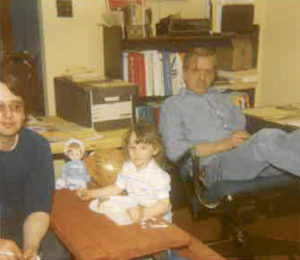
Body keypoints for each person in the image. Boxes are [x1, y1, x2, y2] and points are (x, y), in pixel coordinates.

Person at [160, 47, 300, 204]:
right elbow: (174, 151)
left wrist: (247, 138)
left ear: (214, 75)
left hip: (243, 160)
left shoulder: (225, 99)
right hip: (212, 169)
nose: (202, 77)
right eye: (196, 70)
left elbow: (241, 131)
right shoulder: (173, 106)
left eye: (208, 71)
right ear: (185, 72)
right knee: (266, 139)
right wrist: (224, 144)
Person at [0, 77, 69, 260]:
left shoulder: (37, 146)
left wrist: (31, 248)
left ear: (24, 114)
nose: (8, 115)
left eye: (15, 107)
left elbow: (38, 208)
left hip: (24, 225)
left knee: (55, 255)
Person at [77, 122, 171, 223]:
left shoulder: (158, 176)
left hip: (155, 218)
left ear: (155, 150)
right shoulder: (128, 167)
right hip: (133, 212)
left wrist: (143, 213)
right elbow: (117, 188)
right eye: (132, 147)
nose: (137, 153)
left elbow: (164, 205)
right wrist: (92, 193)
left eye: (143, 148)